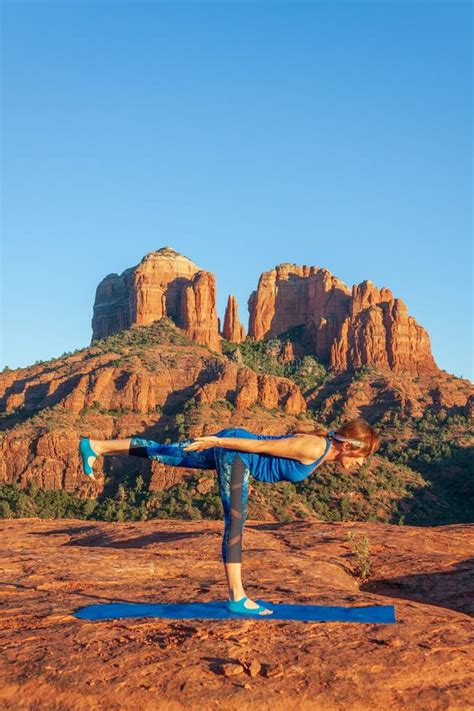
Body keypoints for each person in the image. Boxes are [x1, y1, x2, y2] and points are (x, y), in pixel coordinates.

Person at [79, 417, 381, 616]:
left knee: (168, 453)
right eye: (362, 458)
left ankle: (97, 446)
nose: (362, 465)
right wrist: (216, 442)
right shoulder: (314, 446)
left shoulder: (323, 448)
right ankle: (237, 597)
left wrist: (216, 442)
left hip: (232, 450)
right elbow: (260, 446)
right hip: (236, 454)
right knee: (236, 520)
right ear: (347, 447)